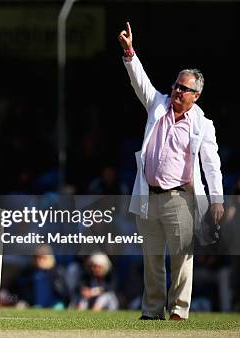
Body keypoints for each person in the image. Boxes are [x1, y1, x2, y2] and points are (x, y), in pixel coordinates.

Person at [119, 22, 224, 320]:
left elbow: (212, 163)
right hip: (148, 195)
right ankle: (152, 312)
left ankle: (178, 311)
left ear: (196, 95)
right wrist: (129, 51)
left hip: (180, 198)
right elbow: (140, 81)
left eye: (184, 88)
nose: (177, 91)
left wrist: (216, 199)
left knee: (181, 258)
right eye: (176, 85)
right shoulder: (158, 105)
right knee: (152, 259)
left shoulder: (203, 125)